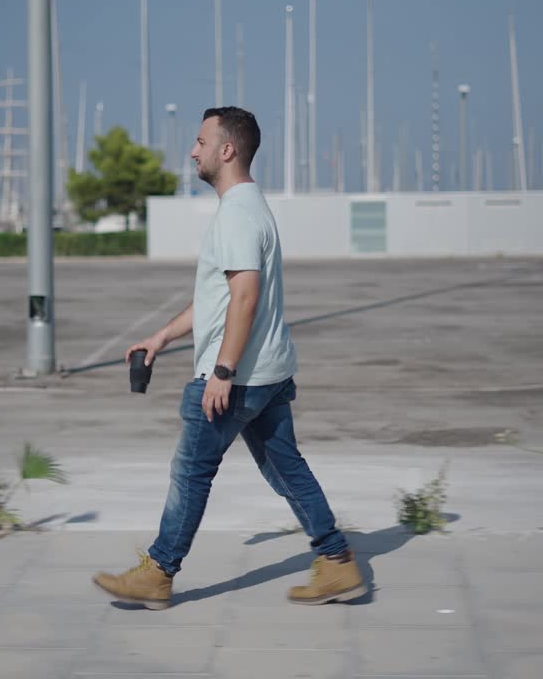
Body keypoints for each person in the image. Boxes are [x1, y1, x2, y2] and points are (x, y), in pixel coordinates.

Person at [93, 107, 367, 610]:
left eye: (200, 142)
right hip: (268, 371)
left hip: (237, 377)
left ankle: (158, 572)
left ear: (227, 150)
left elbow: (245, 296)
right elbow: (218, 300)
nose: (192, 151)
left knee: (192, 471)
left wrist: (222, 372)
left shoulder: (238, 214)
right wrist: (162, 337)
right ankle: (337, 562)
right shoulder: (249, 208)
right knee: (285, 467)